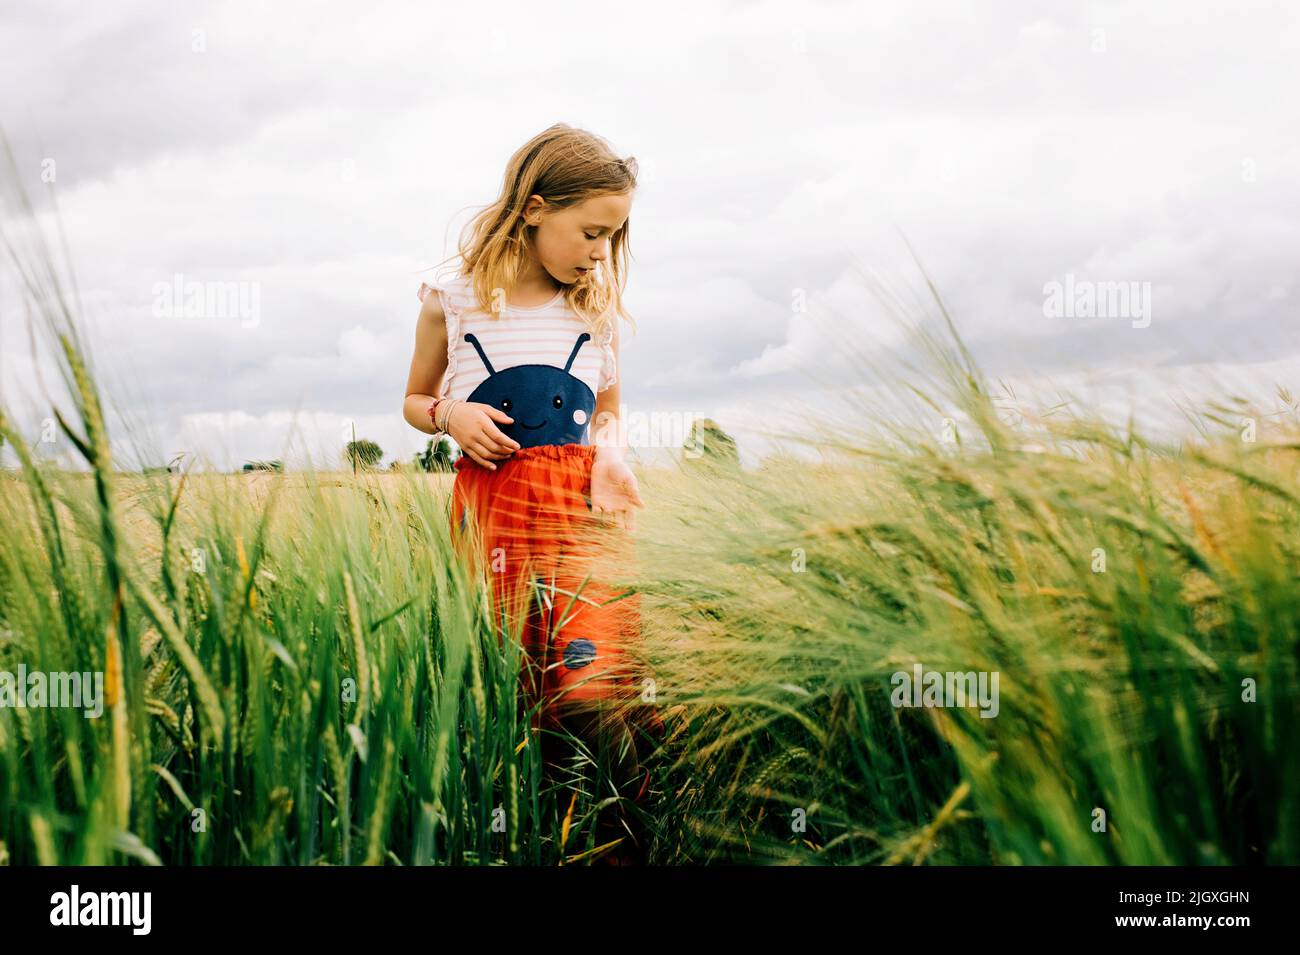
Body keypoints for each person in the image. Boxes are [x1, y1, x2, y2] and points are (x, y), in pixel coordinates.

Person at [402, 123, 663, 864]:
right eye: (591, 231)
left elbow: (605, 415)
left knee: (591, 681)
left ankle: (616, 837)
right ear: (536, 207)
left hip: (586, 517)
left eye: (612, 237)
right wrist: (450, 413)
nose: (600, 252)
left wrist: (610, 457)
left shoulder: (594, 314)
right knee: (509, 679)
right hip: (496, 513)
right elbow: (416, 399)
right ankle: (533, 831)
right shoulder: (452, 300)